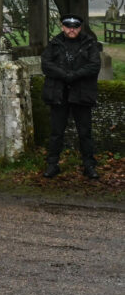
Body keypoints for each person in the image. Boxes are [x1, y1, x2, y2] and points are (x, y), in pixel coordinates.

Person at [41, 14, 101, 179]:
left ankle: (89, 166)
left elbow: (94, 65)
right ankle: (52, 165)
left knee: (85, 132)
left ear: (80, 28)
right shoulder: (54, 43)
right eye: (68, 26)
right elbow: (46, 64)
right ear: (63, 27)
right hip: (59, 94)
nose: (71, 30)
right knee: (56, 132)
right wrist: (64, 75)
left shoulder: (90, 43)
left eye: (75, 27)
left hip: (82, 94)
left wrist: (74, 75)